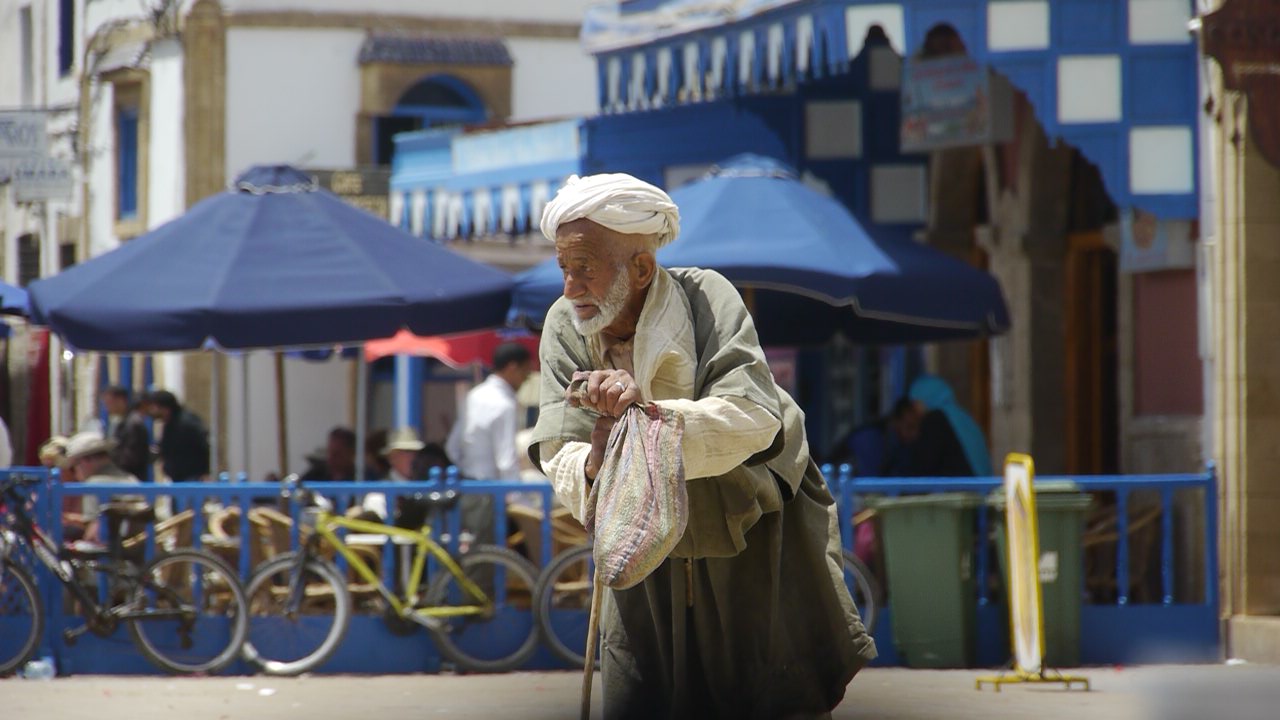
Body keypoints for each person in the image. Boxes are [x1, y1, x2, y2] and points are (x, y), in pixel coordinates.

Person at [530, 173, 876, 719]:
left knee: (765, 689)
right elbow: (559, 452)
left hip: (747, 534)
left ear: (641, 267)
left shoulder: (706, 298)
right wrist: (600, 453)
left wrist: (645, 420)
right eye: (564, 270)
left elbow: (752, 416)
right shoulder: (564, 327)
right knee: (642, 691)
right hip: (640, 549)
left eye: (586, 269)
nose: (571, 288)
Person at [445, 342, 534, 546]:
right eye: (526, 373)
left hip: (466, 488)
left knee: (472, 560)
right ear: (512, 368)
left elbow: (452, 447)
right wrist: (522, 503)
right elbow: (506, 461)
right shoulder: (505, 405)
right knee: (487, 563)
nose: (526, 380)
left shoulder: (475, 395)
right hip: (490, 494)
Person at [900, 375, 993, 477]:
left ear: (927, 398)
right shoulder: (961, 417)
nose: (915, 410)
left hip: (961, 490)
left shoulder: (936, 419)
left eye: (916, 402)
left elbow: (923, 465)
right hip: (978, 488)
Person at [60, 431, 143, 543]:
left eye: (73, 468)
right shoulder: (131, 479)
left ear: (86, 461)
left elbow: (93, 534)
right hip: (140, 544)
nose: (75, 474)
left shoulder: (94, 484)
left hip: (115, 549)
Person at [142, 389, 210, 482]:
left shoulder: (186, 423)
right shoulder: (170, 424)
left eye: (153, 407)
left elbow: (204, 445)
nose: (151, 411)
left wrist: (205, 472)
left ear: (164, 408)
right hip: (178, 479)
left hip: (192, 478)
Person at [360, 427, 424, 522]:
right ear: (392, 457)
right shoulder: (378, 494)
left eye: (416, 453)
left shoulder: (424, 488)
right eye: (406, 452)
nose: (413, 457)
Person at [101, 385, 151, 481]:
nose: (106, 408)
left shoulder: (133, 424)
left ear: (120, 400)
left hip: (130, 480)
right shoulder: (121, 422)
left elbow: (130, 457)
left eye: (109, 403)